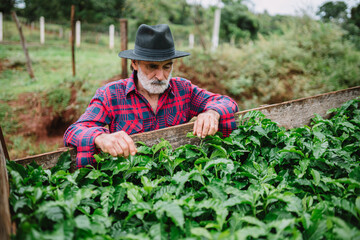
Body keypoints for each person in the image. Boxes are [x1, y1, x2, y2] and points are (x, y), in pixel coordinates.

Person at [64, 24, 239, 168]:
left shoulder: (182, 89)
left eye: (166, 67)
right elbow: (75, 131)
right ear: (135, 64)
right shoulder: (111, 94)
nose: (161, 76)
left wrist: (211, 113)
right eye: (152, 67)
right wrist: (100, 137)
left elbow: (225, 102)